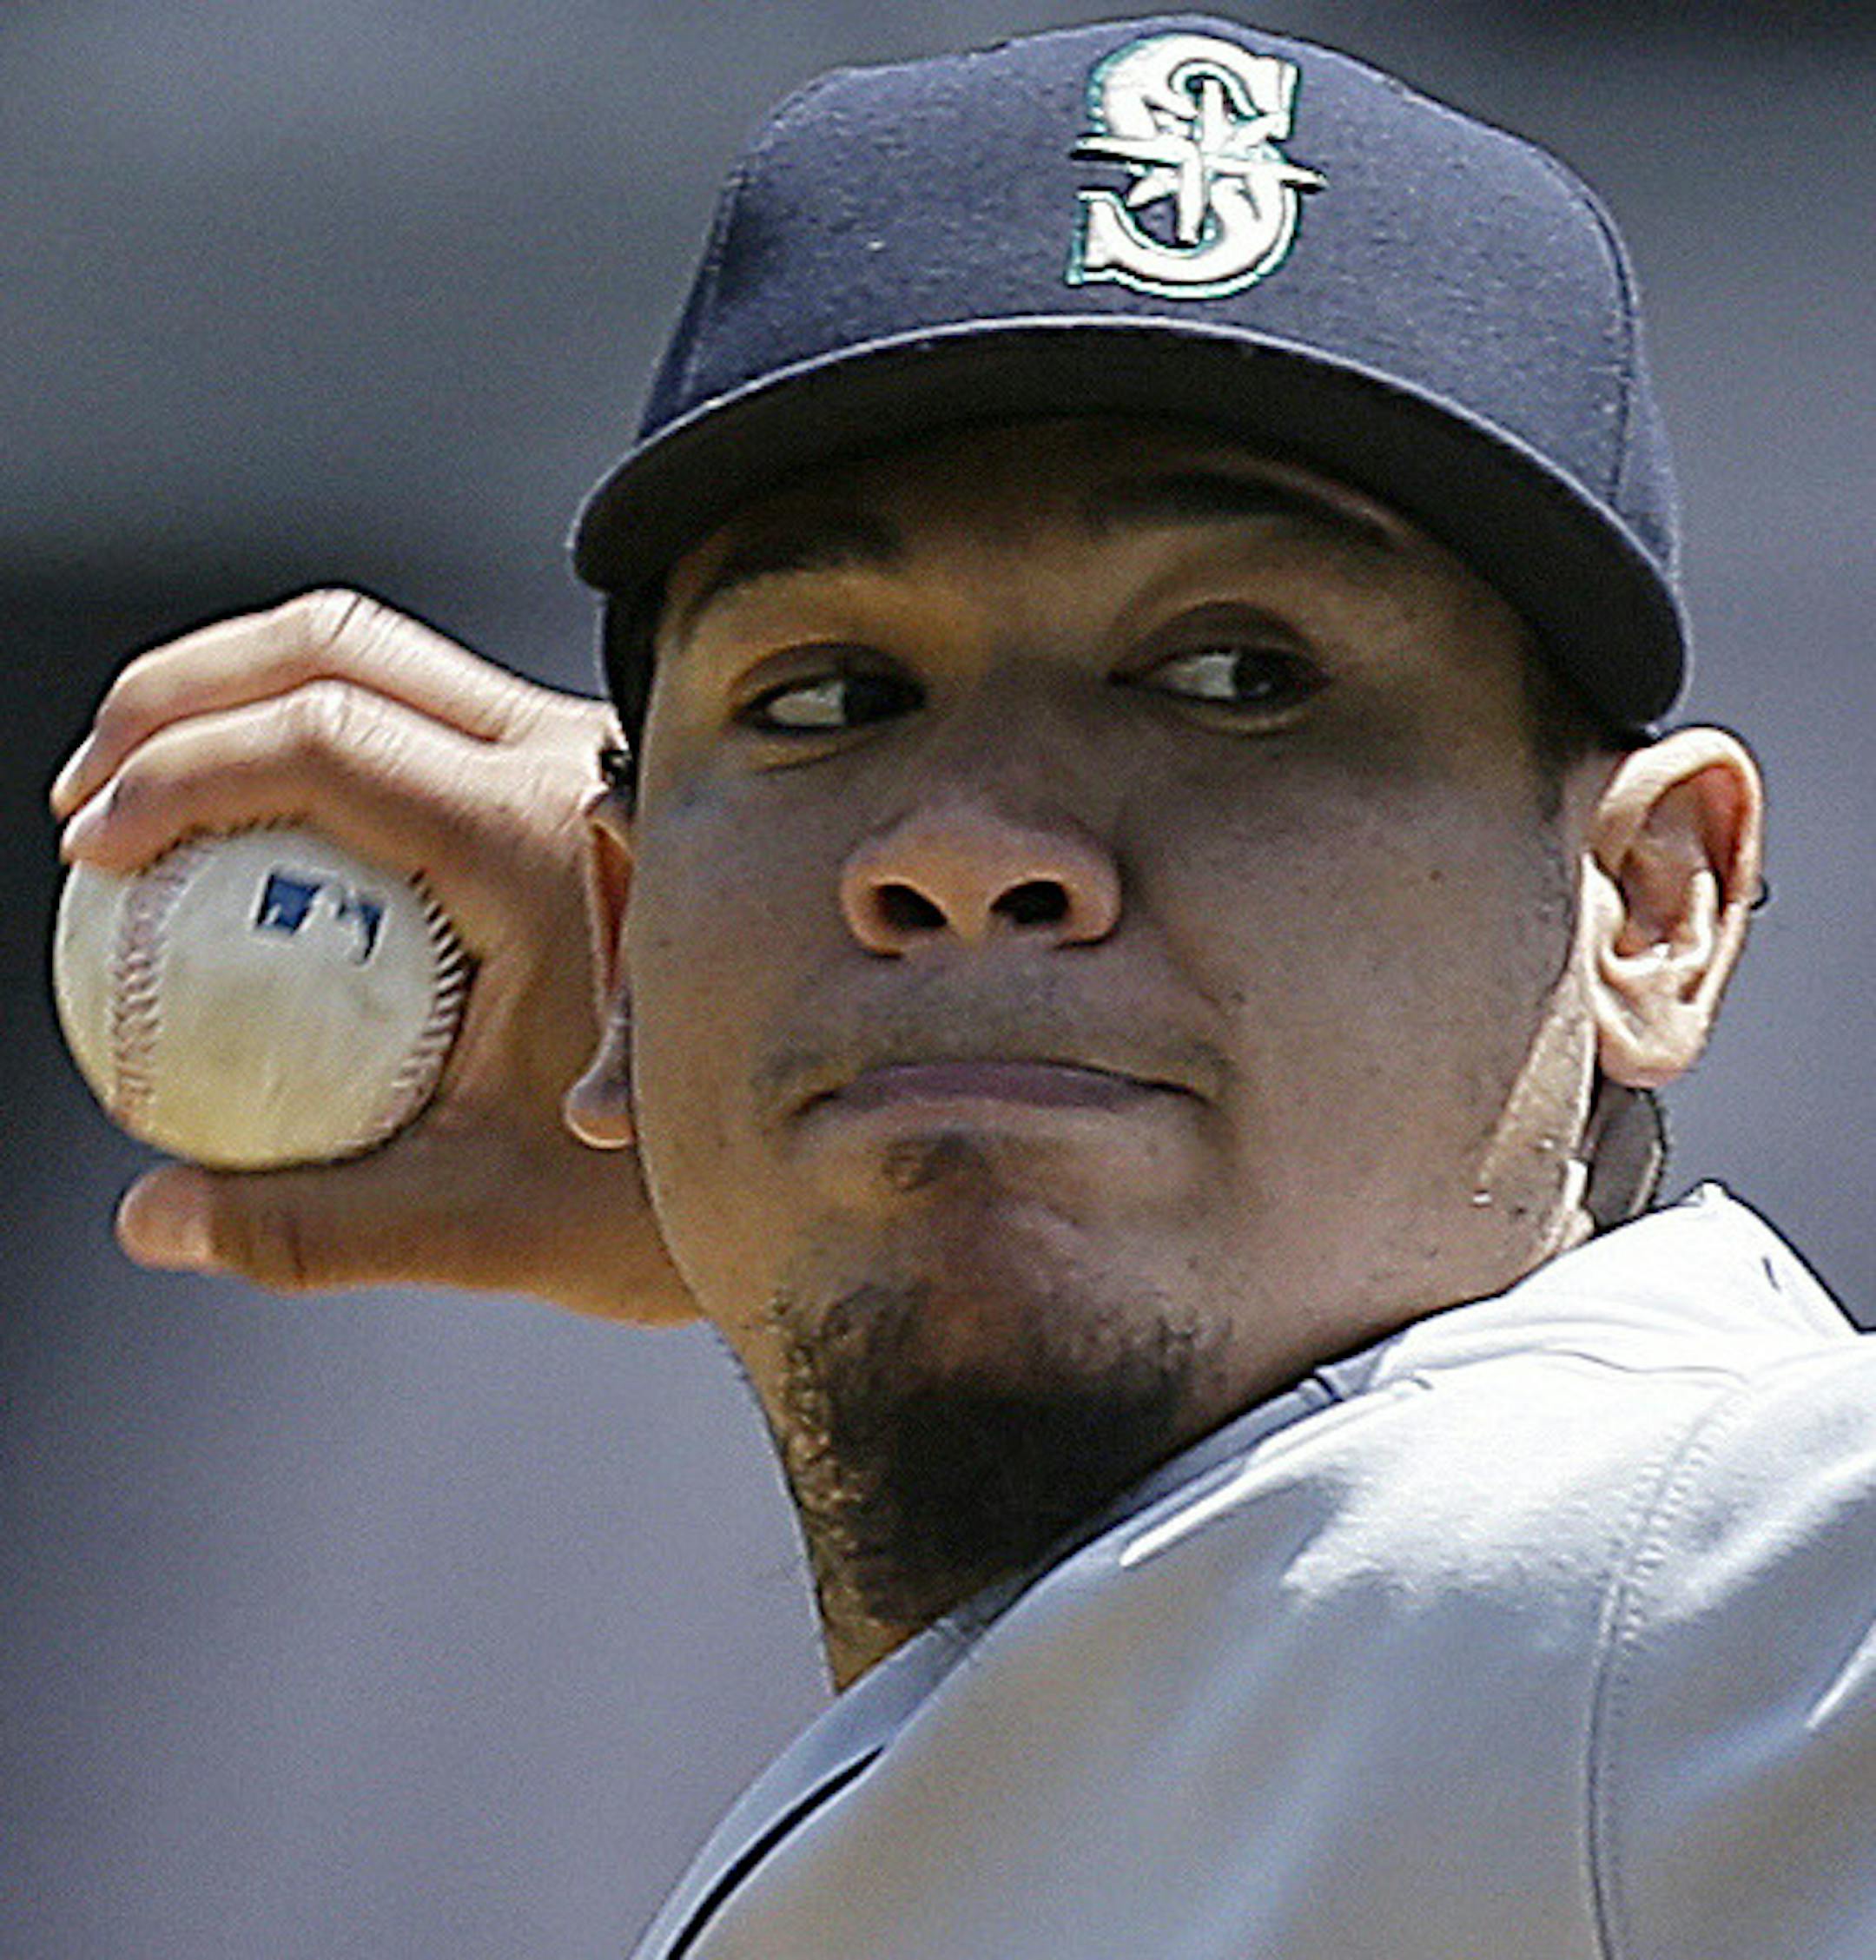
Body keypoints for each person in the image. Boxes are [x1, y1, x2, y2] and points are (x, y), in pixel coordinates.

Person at [48, 16, 1876, 1957]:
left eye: (1237, 675)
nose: (966, 840)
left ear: (1646, 905)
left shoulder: (1688, 1574)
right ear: (623, 932)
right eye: (831, 695)